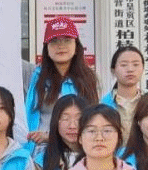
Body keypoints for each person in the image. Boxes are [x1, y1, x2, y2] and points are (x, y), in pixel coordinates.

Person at [24, 16, 100, 149]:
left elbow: (93, 119)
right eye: (54, 41)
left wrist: (50, 137)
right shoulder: (34, 76)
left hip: (78, 150)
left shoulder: (88, 78)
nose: (61, 46)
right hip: (40, 150)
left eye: (67, 40)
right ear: (46, 48)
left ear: (76, 46)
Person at [101, 46, 146, 146]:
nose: (130, 69)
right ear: (113, 70)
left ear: (143, 69)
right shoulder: (102, 105)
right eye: (124, 65)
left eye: (135, 64)